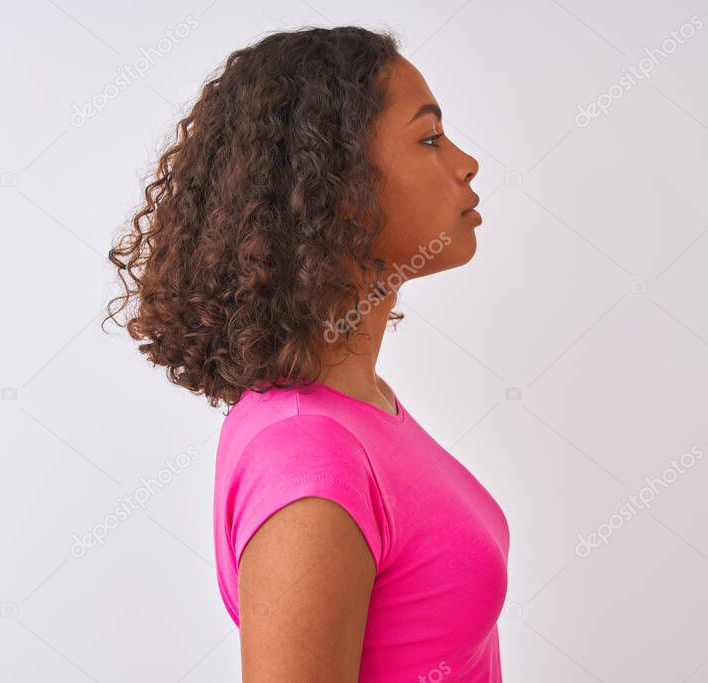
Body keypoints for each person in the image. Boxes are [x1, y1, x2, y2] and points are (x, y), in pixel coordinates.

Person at [105, 25, 507, 681]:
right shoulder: (311, 455)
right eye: (429, 139)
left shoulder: (357, 408)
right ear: (336, 186)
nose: (466, 162)